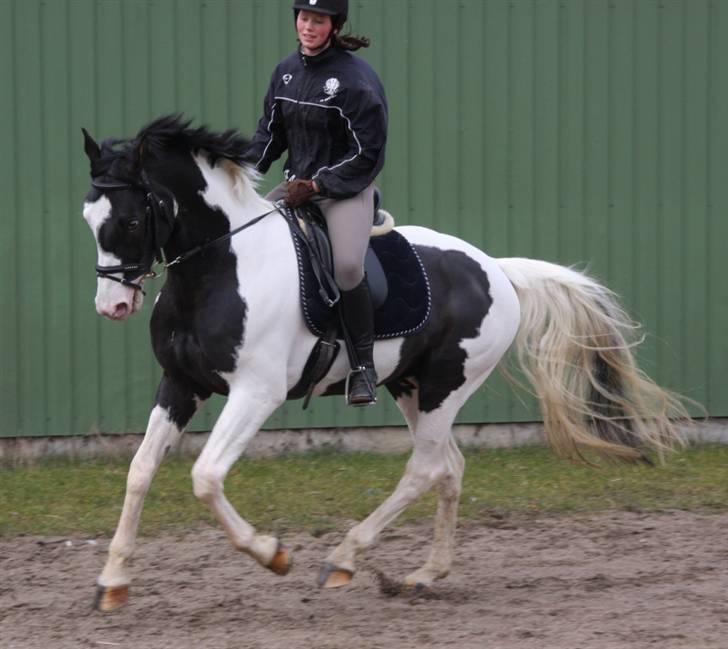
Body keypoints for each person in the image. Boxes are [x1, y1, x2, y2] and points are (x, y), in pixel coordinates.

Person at [243, 0, 388, 406]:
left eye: (318, 20)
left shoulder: (356, 80)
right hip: (293, 189)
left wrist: (319, 185)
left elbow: (368, 153)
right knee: (245, 235)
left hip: (344, 192)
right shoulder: (286, 72)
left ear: (334, 25)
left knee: (346, 267)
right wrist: (236, 174)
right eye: (304, 18)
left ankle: (363, 367)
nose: (308, 26)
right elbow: (268, 138)